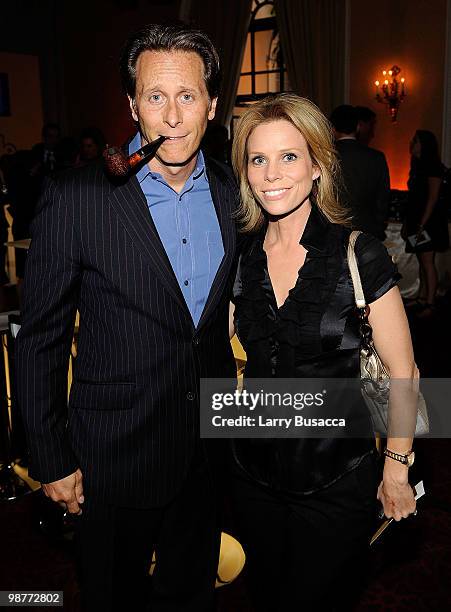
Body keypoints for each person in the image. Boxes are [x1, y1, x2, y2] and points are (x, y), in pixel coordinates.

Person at [15, 23, 239, 612]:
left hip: (206, 451)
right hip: (112, 457)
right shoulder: (78, 197)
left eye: (187, 96)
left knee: (191, 593)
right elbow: (40, 337)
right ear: (132, 104)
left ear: (211, 106)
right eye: (155, 96)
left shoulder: (231, 190)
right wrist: (51, 458)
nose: (171, 116)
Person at [229, 93, 418, 610]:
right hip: (252, 479)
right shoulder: (241, 261)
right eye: (258, 159)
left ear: (316, 165)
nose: (272, 174)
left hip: (336, 481)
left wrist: (397, 469)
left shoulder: (359, 254)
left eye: (289, 156)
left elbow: (404, 371)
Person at [402, 130, 449, 317]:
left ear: (425, 144)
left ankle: (430, 302)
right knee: (421, 259)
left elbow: (433, 198)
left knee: (428, 261)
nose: (412, 143)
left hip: (428, 222)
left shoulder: (433, 166)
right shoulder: (418, 165)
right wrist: (410, 223)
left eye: (416, 141)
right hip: (418, 221)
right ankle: (422, 297)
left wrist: (421, 224)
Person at [330, 104, 390, 241]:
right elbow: (383, 198)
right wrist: (378, 225)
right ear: (358, 127)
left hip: (333, 230)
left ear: (332, 128)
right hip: (368, 231)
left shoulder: (326, 156)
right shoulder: (376, 157)